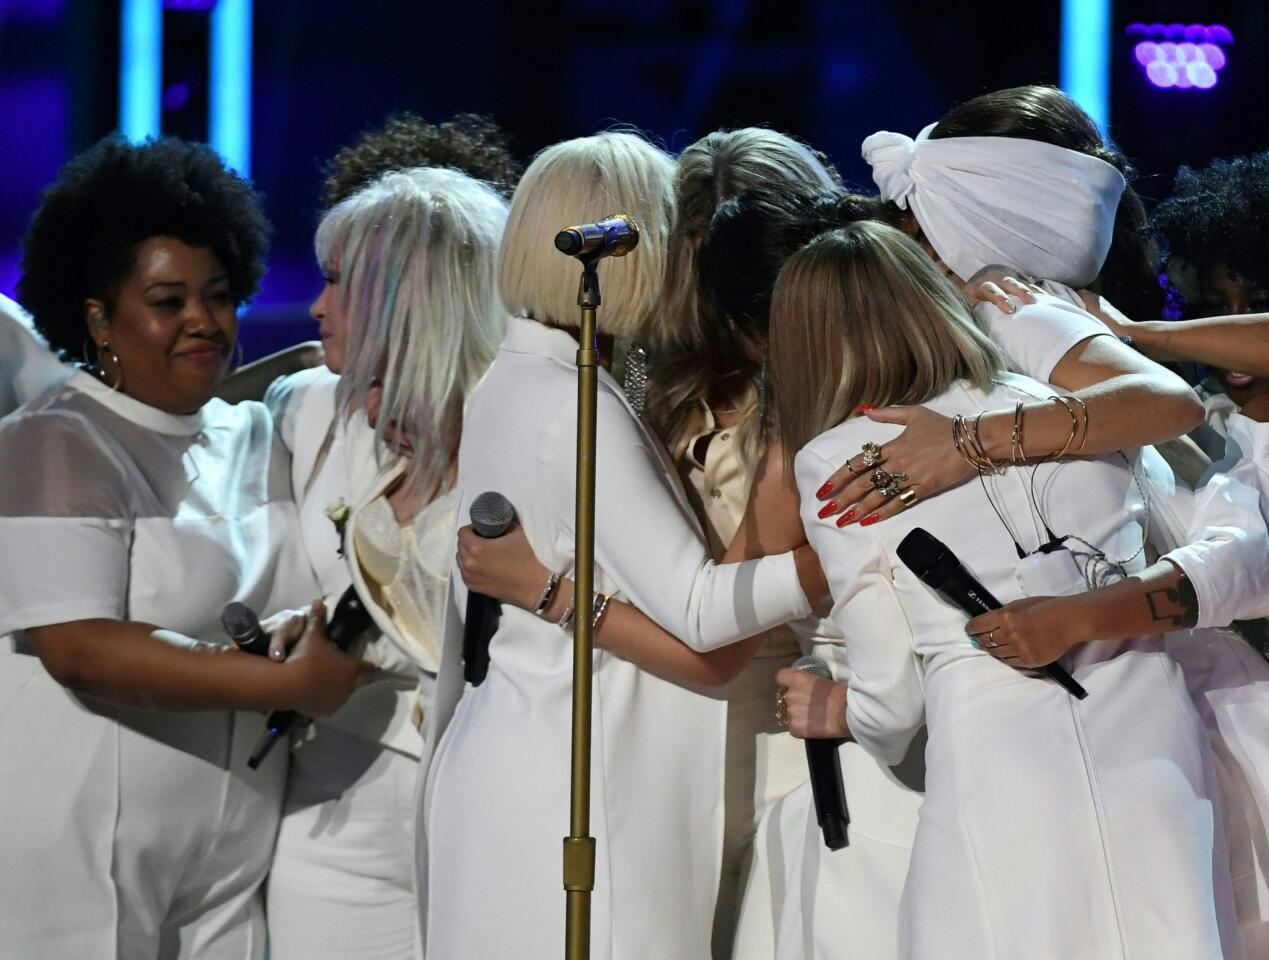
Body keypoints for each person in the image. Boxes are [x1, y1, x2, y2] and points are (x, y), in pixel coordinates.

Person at [774, 220, 1241, 959]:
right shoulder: (1071, 406)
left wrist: (843, 712)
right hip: (1155, 737)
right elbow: (1172, 408)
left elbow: (890, 701)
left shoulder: (839, 461)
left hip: (1000, 763)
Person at [421, 130, 824, 959]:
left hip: (532, 765)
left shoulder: (520, 378)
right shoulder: (585, 402)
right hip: (578, 782)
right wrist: (838, 558)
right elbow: (704, 625)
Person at [0, 136, 366, 960]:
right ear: (98, 316)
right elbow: (79, 647)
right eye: (168, 301)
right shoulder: (53, 443)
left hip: (236, 850)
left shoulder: (253, 432)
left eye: (220, 295)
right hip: (78, 851)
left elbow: (309, 365)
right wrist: (291, 682)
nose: (203, 321)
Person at [263, 163, 513, 956]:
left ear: (402, 298)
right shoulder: (307, 411)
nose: (315, 306)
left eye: (336, 281)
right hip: (332, 811)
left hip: (493, 810)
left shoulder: (531, 434)